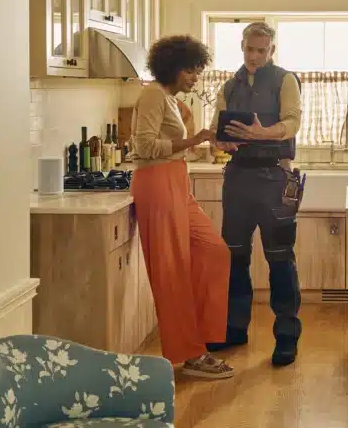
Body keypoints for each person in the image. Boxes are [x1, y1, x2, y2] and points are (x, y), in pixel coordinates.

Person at [130, 34, 234, 379]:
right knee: (171, 272)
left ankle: (200, 338)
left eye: (197, 70)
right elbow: (144, 147)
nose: (195, 77)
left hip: (176, 182)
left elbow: (170, 143)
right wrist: (194, 138)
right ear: (172, 67)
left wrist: (203, 141)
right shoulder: (152, 95)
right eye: (190, 70)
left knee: (214, 251)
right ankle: (191, 354)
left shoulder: (170, 101)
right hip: (157, 184)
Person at [208, 22, 304, 366]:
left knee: (280, 259)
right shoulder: (228, 86)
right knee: (234, 257)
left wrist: (265, 133)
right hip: (237, 178)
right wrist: (221, 141)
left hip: (275, 178)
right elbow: (217, 129)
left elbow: (293, 121)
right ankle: (234, 328)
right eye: (250, 49)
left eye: (261, 50)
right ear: (242, 46)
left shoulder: (285, 80)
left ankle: (287, 338)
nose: (254, 56)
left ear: (271, 51)